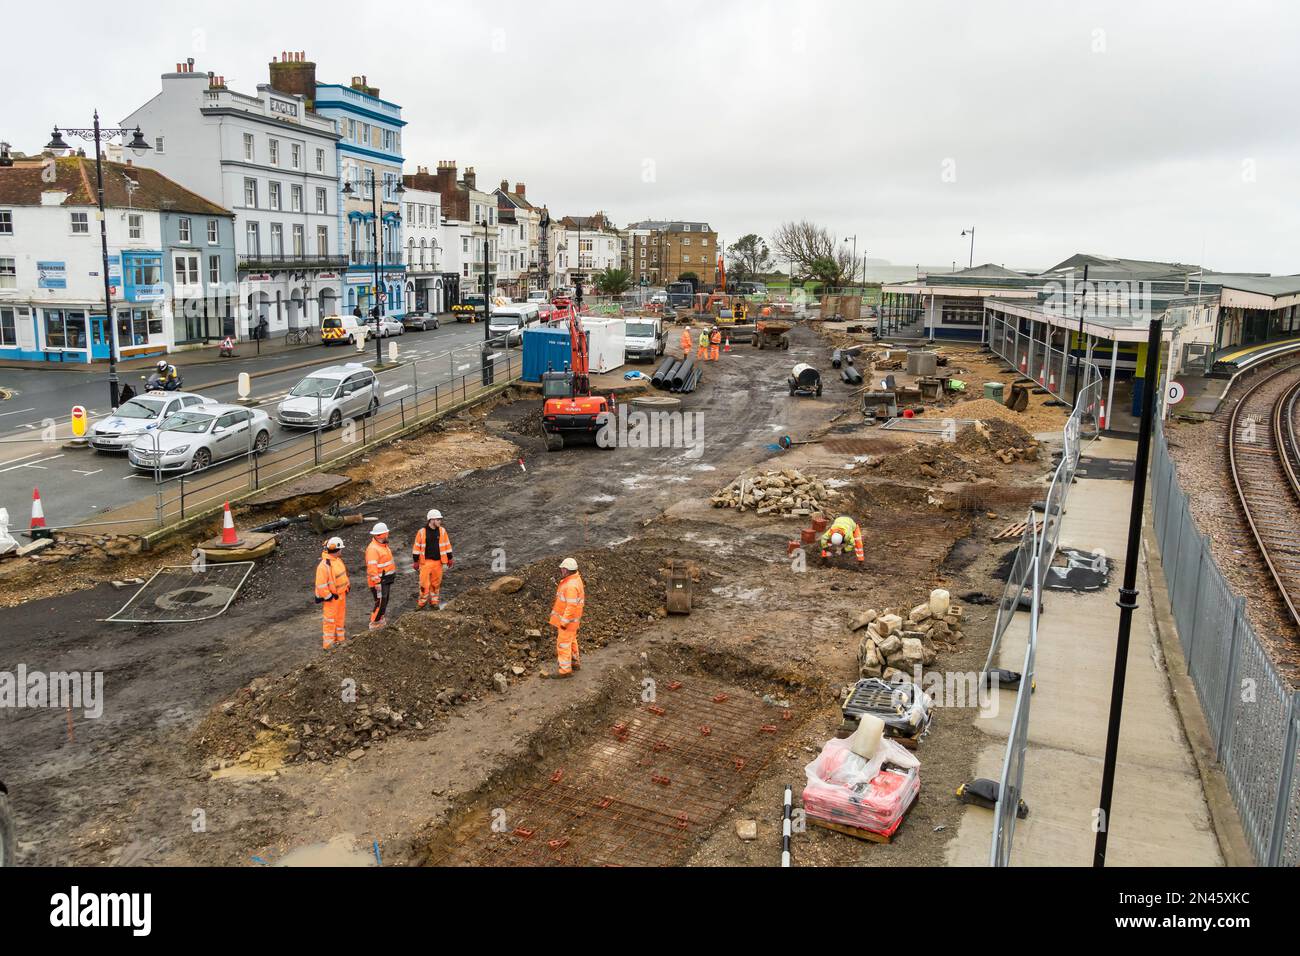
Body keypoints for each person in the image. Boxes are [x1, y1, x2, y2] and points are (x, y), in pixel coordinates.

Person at [542, 557, 585, 679]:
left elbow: (571, 606)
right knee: (571, 641)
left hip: (568, 622)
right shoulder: (575, 579)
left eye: (562, 569)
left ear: (566, 570)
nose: (561, 570)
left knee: (563, 644)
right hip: (573, 621)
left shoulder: (570, 585)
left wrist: (564, 622)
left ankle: (565, 670)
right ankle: (575, 662)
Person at [411, 509, 453, 610]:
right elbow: (416, 547)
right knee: (424, 584)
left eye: (440, 519)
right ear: (431, 520)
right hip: (425, 563)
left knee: (436, 583)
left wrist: (450, 558)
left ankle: (434, 602)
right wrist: (415, 561)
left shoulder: (442, 531)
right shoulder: (421, 532)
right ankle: (422, 603)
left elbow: (447, 545)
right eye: (438, 519)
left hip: (438, 563)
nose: (440, 521)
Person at [314, 537, 350, 649]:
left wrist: (347, 586)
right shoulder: (324, 566)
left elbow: (343, 575)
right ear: (336, 550)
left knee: (340, 619)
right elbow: (321, 585)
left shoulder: (337, 561)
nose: (342, 551)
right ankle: (329, 645)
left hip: (341, 595)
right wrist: (329, 597)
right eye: (341, 549)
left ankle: (340, 640)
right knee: (330, 621)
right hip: (332, 599)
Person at [366, 522, 397, 629]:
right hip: (379, 582)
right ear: (381, 535)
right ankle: (374, 623)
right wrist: (377, 582)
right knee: (380, 602)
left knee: (384, 601)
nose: (388, 535)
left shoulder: (383, 546)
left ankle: (380, 621)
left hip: (385, 580)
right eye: (386, 533)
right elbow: (372, 568)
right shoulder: (373, 549)